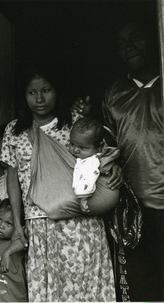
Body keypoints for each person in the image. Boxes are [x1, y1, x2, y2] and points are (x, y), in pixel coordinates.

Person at [0, 66, 118, 301]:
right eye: (32, 93)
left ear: (57, 91)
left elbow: (100, 157)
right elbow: (13, 179)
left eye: (46, 90)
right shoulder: (14, 130)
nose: (39, 98)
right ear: (24, 95)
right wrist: (17, 224)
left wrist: (115, 170)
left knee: (85, 289)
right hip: (40, 224)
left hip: (80, 223)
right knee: (50, 292)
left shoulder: (75, 123)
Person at [74, 18, 164, 301]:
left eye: (135, 38)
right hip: (131, 205)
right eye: (122, 44)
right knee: (138, 286)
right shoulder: (114, 92)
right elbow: (104, 145)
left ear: (153, 38)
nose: (129, 47)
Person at [69, 116, 120, 213]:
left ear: (99, 147)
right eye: (72, 144)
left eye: (82, 148)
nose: (75, 150)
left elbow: (87, 178)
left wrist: (83, 198)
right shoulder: (98, 154)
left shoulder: (90, 161)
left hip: (91, 200)